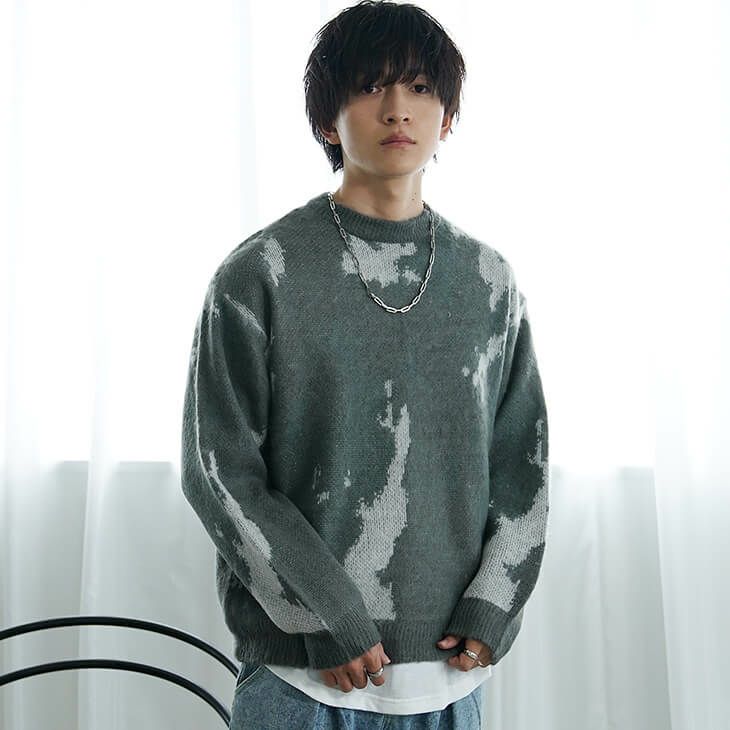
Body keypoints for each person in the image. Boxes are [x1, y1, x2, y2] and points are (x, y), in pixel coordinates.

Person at [180, 2, 550, 728]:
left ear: (447, 118)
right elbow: (219, 471)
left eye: (420, 87)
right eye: (370, 86)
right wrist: (327, 614)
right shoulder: (261, 274)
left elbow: (521, 466)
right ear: (328, 120)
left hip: (449, 683)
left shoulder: (488, 282)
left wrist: (494, 606)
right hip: (301, 683)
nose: (396, 108)